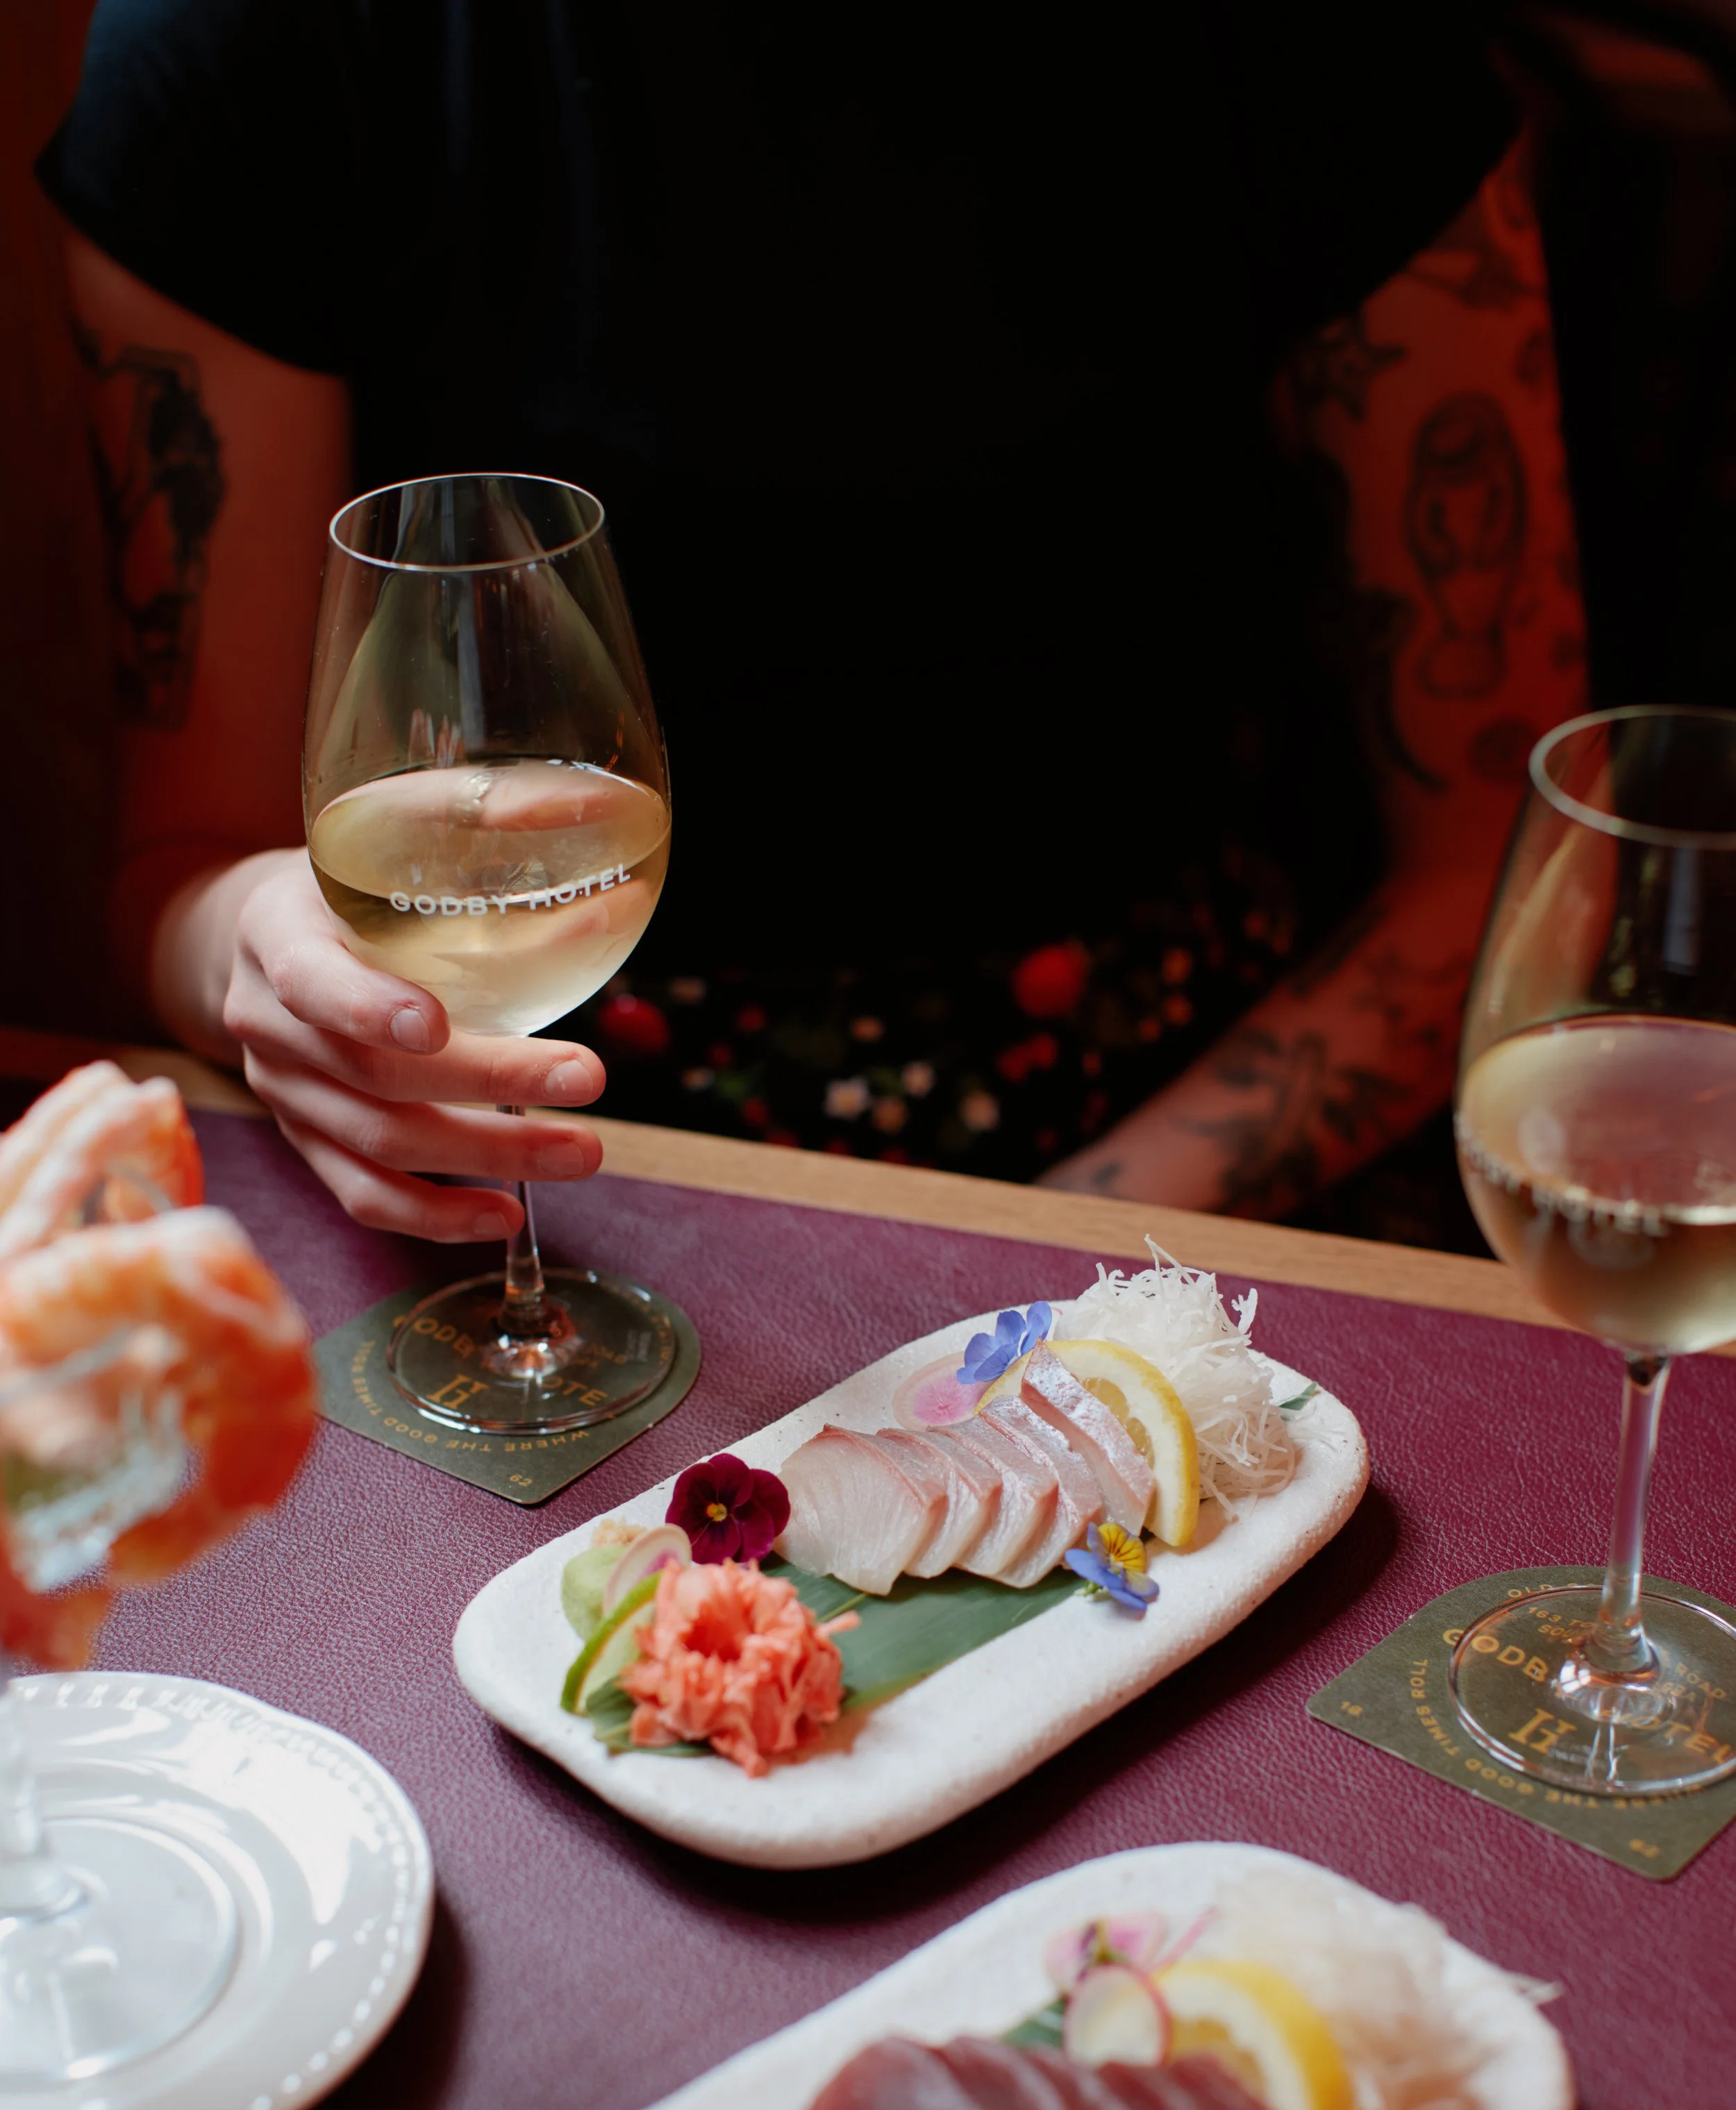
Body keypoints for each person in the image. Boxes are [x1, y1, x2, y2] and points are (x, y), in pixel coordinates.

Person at [37, 2, 1583, 1245]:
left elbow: (1499, 880)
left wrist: (1015, 1264)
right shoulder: (247, 49)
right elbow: (181, 875)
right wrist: (266, 955)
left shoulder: (1325, 38)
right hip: (522, 1188)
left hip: (1168, 1147)